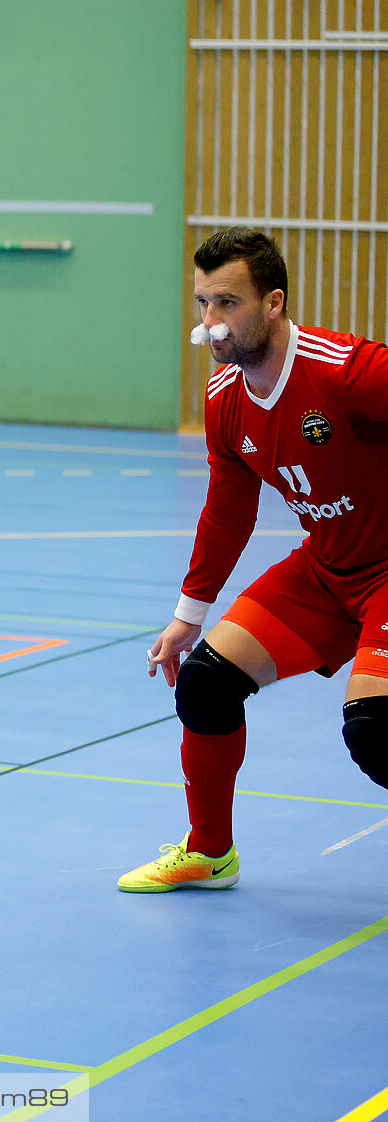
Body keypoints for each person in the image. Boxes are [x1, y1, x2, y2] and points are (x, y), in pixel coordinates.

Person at [123, 227, 388, 891]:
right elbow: (228, 512)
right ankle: (209, 853)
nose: (210, 324)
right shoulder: (225, 399)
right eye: (203, 304)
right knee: (207, 684)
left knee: (377, 731)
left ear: (273, 303)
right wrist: (189, 615)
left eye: (228, 304)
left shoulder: (347, 371)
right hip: (329, 571)